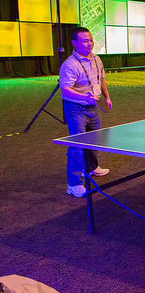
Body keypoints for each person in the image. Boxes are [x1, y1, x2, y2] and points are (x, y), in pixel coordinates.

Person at [59, 27, 111, 197]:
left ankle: (92, 168)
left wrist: (107, 97)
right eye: (85, 41)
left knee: (93, 140)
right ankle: (73, 183)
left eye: (91, 40)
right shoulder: (70, 65)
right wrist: (83, 97)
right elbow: (65, 90)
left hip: (93, 107)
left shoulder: (96, 59)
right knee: (77, 145)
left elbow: (101, 79)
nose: (90, 43)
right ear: (74, 43)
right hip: (76, 109)